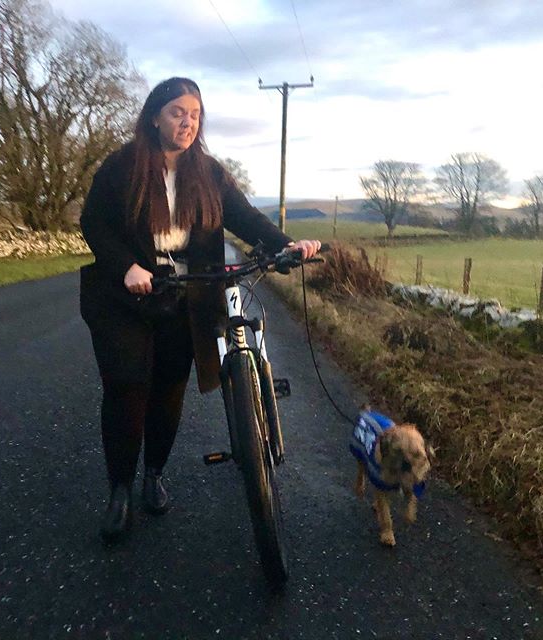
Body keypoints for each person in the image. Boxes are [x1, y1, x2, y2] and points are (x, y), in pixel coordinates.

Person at [79, 76, 321, 543]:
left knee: (170, 387)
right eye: (177, 112)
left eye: (194, 114)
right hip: (125, 295)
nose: (187, 122)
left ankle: (153, 474)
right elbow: (93, 222)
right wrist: (127, 265)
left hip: (187, 293)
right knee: (128, 386)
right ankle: (120, 491)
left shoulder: (208, 172)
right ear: (155, 116)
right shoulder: (123, 166)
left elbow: (245, 218)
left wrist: (287, 245)